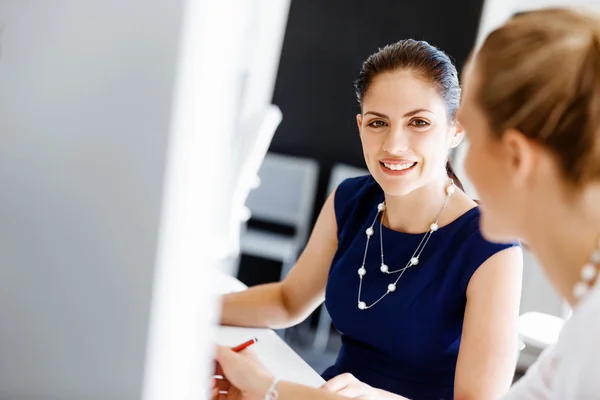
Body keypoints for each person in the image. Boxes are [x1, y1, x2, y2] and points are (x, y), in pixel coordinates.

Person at [213, 7, 600, 400]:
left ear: (458, 131)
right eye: (379, 122)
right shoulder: (352, 199)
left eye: (420, 123)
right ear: (361, 126)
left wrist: (275, 390)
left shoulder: (493, 248)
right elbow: (288, 301)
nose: (395, 145)